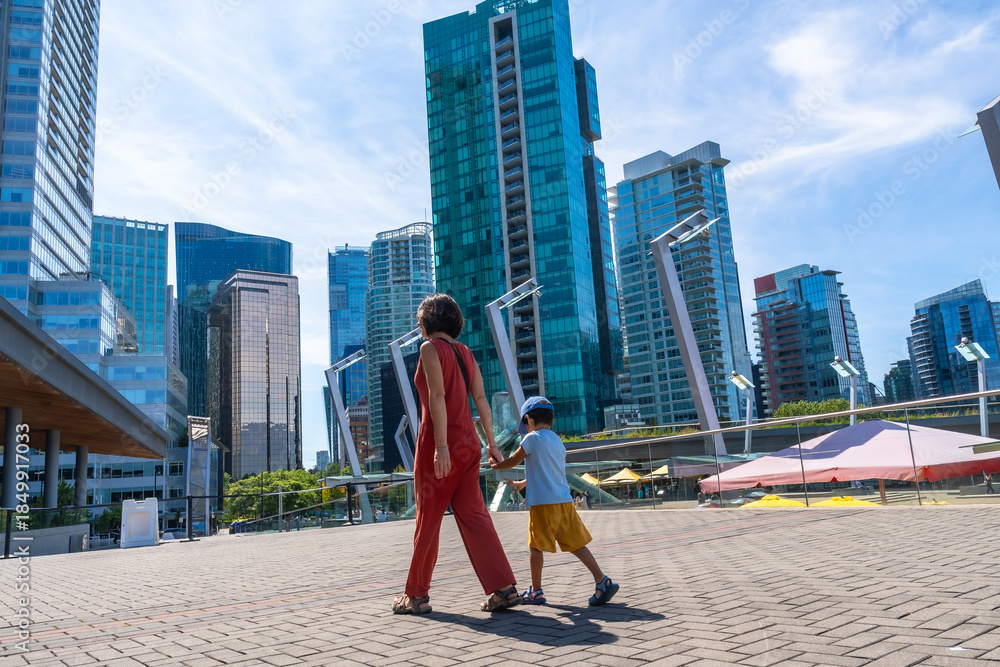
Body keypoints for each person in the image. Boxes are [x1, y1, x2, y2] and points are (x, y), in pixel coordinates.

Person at [392, 294, 519, 615]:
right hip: (469, 445)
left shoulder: (429, 348)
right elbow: (481, 398)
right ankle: (503, 588)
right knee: (476, 517)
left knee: (428, 520)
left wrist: (441, 448)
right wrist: (491, 442)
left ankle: (416, 596)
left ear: (427, 320)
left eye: (419, 318)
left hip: (440, 444)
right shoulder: (465, 353)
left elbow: (436, 395)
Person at [492, 396, 620, 607]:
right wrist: (524, 483)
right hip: (564, 502)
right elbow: (550, 472)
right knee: (577, 545)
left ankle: (536, 591)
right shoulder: (557, 441)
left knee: (535, 548)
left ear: (527, 419)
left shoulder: (531, 438)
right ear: (551, 420)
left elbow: (513, 460)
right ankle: (602, 580)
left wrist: (496, 466)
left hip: (543, 505)